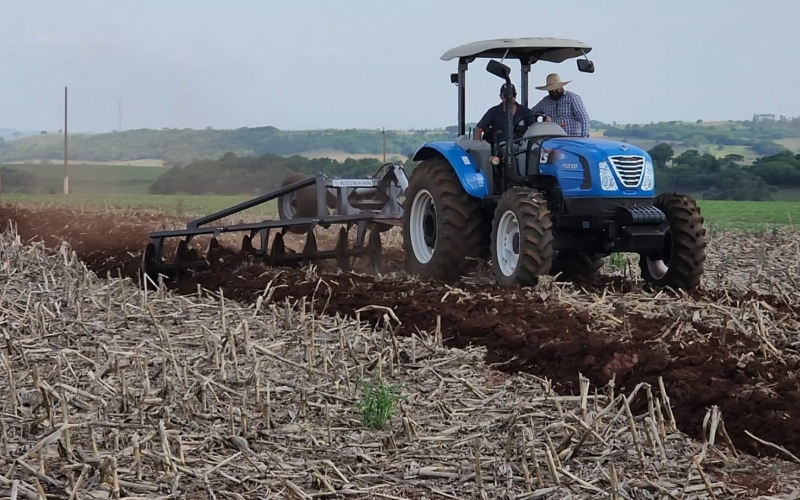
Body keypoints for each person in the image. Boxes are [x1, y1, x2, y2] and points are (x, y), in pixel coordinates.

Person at [529, 73, 590, 137]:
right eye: (551, 90)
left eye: (556, 89)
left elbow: (584, 118)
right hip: (552, 139)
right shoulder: (545, 101)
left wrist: (584, 137)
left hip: (572, 138)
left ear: (561, 86)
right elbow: (531, 113)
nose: (554, 91)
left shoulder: (572, 98)